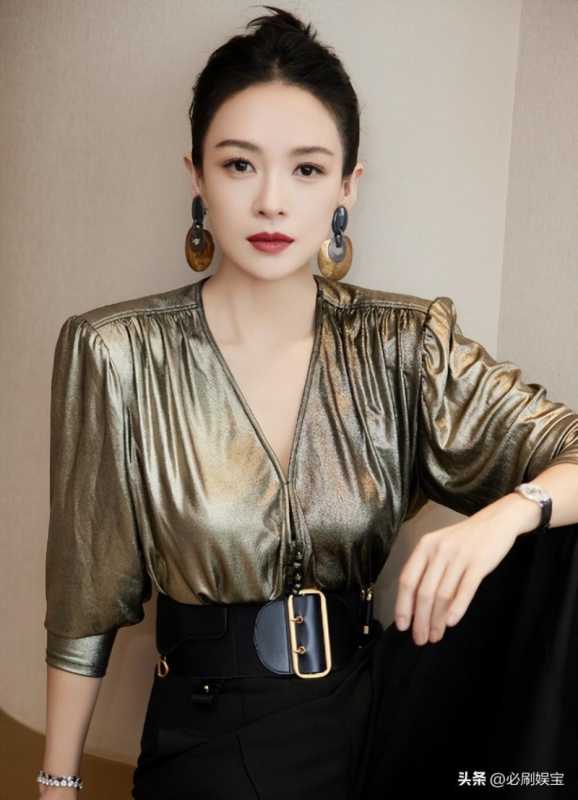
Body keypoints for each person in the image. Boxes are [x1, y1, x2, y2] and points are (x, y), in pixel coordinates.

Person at [39, 6, 578, 799]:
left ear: (347, 186)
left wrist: (505, 516)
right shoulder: (117, 353)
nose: (271, 203)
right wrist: (57, 783)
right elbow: (84, 600)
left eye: (307, 169)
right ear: (196, 175)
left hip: (377, 727)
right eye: (239, 164)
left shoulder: (404, 344)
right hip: (210, 738)